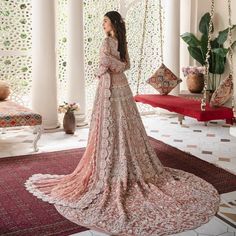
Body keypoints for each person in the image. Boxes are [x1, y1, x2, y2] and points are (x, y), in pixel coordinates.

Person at [25, 10, 220, 236]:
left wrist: (110, 63)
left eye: (105, 21)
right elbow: (120, 65)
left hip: (112, 87)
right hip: (116, 87)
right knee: (118, 125)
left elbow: (109, 65)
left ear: (113, 23)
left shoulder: (110, 42)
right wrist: (112, 64)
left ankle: (118, 162)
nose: (103, 24)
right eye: (103, 21)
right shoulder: (116, 42)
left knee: (122, 125)